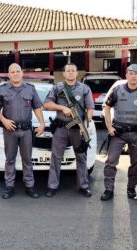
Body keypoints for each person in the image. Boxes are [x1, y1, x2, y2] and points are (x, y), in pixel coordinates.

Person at [101, 64, 137, 201]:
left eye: (136, 74)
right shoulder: (117, 90)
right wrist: (109, 127)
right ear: (126, 75)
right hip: (118, 133)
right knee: (111, 162)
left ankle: (131, 188)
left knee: (136, 163)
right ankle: (109, 189)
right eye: (130, 73)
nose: (133, 76)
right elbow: (106, 108)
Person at [0, 63, 45, 199]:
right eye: (12, 72)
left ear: (22, 73)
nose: (15, 73)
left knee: (27, 159)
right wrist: (4, 120)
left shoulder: (30, 89)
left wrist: (42, 123)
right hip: (10, 130)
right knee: (10, 159)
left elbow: (37, 107)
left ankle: (29, 186)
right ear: (9, 75)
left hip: (26, 130)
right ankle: (9, 187)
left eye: (17, 71)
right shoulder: (2, 89)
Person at [44, 63, 95, 197]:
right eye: (68, 71)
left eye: (73, 70)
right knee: (56, 157)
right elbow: (47, 104)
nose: (71, 73)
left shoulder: (85, 89)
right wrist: (62, 108)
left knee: (81, 157)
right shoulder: (57, 88)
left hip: (77, 129)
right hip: (61, 127)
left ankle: (83, 186)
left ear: (77, 73)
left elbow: (90, 109)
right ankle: (52, 186)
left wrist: (85, 125)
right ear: (64, 74)